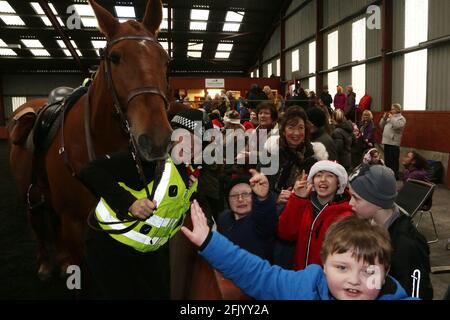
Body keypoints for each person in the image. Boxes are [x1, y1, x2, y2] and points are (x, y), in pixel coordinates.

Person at [79, 108, 213, 299]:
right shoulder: (150, 161)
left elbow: (195, 202)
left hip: (149, 252)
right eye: (188, 137)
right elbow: (90, 171)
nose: (194, 146)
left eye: (201, 143)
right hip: (110, 246)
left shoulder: (191, 173)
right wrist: (130, 203)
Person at [182, 205, 415, 300]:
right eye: (342, 267)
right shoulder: (304, 286)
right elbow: (258, 274)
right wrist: (209, 242)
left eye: (368, 271)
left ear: (385, 274)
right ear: (324, 265)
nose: (354, 280)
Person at [348, 165, 433, 299]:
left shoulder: (407, 245)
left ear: (377, 201)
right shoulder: (368, 226)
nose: (350, 203)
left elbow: (417, 293)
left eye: (356, 198)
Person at [277, 161, 352, 270]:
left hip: (327, 280)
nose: (323, 179)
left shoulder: (346, 214)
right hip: (300, 275)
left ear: (339, 183)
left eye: (330, 176)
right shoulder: (303, 203)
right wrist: (298, 198)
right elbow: (285, 233)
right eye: (318, 175)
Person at [217, 170, 277, 261]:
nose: (240, 199)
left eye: (245, 194)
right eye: (234, 195)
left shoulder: (259, 221)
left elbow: (266, 216)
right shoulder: (223, 218)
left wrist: (263, 198)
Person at [379, 103, 406, 180]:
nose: (391, 110)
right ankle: (388, 175)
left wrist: (391, 118)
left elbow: (397, 126)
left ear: (398, 109)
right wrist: (384, 118)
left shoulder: (402, 118)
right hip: (386, 141)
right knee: (387, 160)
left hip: (394, 143)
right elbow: (381, 126)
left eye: (393, 109)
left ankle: (394, 176)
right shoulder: (389, 118)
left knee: (393, 161)